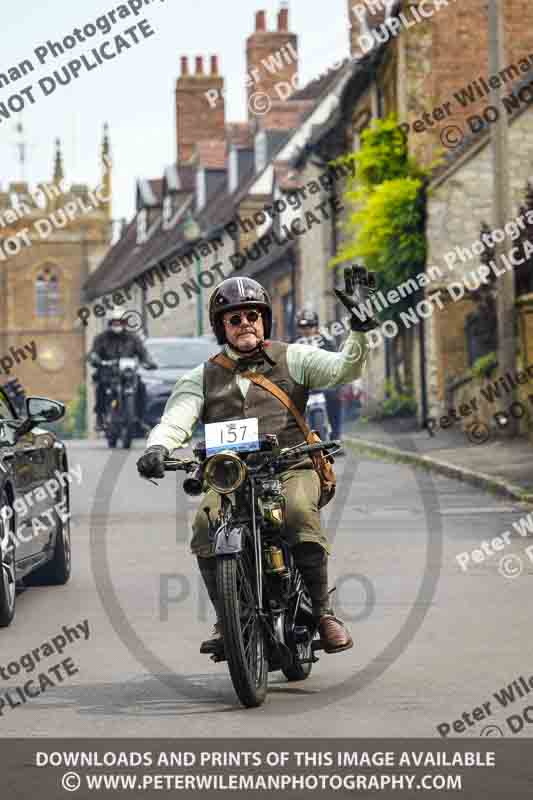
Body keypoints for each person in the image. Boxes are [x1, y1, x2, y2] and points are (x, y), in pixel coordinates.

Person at [136, 272, 377, 656]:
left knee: (297, 512)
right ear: (222, 327)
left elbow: (343, 370)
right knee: (205, 525)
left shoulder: (294, 357)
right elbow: (176, 418)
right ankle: (227, 620)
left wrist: (359, 331)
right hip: (229, 474)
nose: (245, 323)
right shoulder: (202, 376)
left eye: (253, 315)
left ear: (265, 320)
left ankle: (323, 612)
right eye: (235, 318)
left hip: (291, 464)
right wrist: (157, 447)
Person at [89, 309, 157, 430]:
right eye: (114, 322)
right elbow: (94, 353)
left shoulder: (133, 338)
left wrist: (148, 362)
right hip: (107, 373)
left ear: (125, 323)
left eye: (120, 322)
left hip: (127, 373)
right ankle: (100, 418)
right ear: (110, 323)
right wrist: (96, 359)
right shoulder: (101, 338)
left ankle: (141, 419)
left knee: (141, 387)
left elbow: (143, 353)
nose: (117, 325)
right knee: (100, 388)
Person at [294, 309, 343, 443]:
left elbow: (336, 359)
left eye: (310, 326)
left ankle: (336, 437)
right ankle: (295, 440)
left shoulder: (326, 341)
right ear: (298, 328)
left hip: (324, 384)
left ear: (316, 326)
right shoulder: (293, 344)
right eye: (303, 326)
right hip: (303, 385)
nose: (307, 330)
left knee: (335, 397)